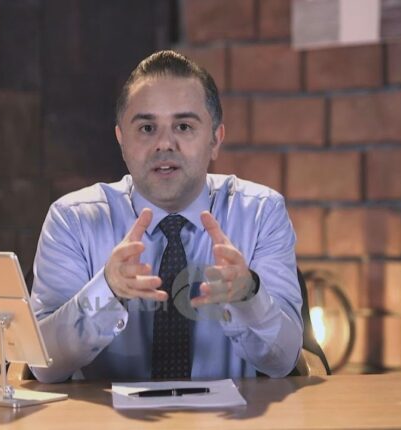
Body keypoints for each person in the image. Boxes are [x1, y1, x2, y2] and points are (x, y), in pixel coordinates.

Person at [30, 50, 303, 383]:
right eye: (147, 128)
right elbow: (43, 365)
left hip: (229, 411)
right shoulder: (72, 220)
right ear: (121, 140)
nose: (164, 144)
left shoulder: (261, 213)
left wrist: (249, 295)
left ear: (215, 139)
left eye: (183, 126)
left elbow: (283, 361)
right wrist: (107, 289)